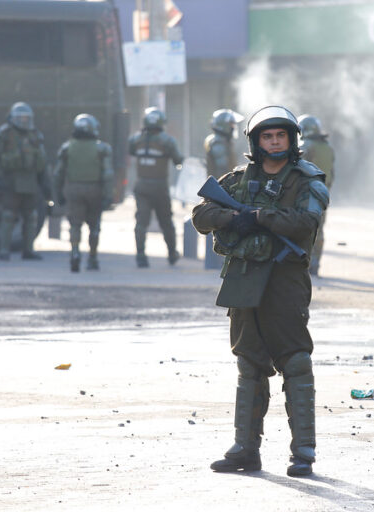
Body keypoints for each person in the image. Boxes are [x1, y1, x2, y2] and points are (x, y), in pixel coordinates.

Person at [192, 106, 329, 477]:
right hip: (244, 276)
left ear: (291, 139)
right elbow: (200, 216)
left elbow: (306, 222)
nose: (274, 142)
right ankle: (245, 449)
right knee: (249, 363)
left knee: (296, 361)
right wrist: (231, 216)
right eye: (267, 137)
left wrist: (258, 217)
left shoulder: (307, 180)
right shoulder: (238, 179)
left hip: (284, 278)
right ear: (256, 141)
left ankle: (303, 451)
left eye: (280, 136)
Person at [0, 102, 50, 261]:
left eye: (26, 118)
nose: (24, 121)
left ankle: (28, 250)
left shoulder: (35, 135)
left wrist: (45, 182)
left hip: (30, 181)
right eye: (20, 118)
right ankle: (4, 251)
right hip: (12, 181)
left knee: (31, 217)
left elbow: (43, 160)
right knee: (8, 215)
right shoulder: (4, 134)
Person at [54, 114, 114, 272]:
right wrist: (108, 196)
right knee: (94, 226)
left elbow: (58, 174)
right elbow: (108, 174)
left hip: (73, 190)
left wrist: (57, 194)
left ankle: (75, 253)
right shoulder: (102, 148)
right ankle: (92, 258)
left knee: (75, 224)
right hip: (95, 190)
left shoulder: (67, 147)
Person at [127, 107, 183, 268]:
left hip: (141, 185)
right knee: (166, 221)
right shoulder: (167, 141)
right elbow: (178, 160)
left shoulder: (135, 140)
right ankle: (172, 253)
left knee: (141, 223)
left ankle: (140, 256)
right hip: (160, 187)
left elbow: (130, 152)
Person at [297, 114, 335, 276]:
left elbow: (297, 172)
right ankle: (315, 264)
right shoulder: (327, 148)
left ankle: (303, 264)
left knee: (302, 230)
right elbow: (332, 173)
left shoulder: (305, 147)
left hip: (305, 196)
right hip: (323, 194)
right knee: (319, 230)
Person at [204, 109, 244, 179]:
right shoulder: (218, 144)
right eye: (231, 124)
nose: (233, 127)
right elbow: (224, 171)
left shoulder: (223, 142)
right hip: (222, 186)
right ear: (224, 125)